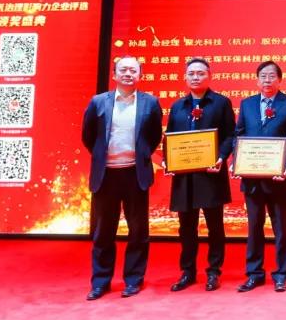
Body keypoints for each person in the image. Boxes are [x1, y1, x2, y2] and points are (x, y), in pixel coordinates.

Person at [82, 55, 163, 300]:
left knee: (138, 230)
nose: (128, 74)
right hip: (106, 175)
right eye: (123, 70)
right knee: (103, 231)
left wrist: (141, 155)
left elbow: (154, 136)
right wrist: (102, 157)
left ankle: (133, 280)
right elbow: (88, 136)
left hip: (135, 174)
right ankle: (100, 282)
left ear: (140, 75)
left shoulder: (150, 103)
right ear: (115, 75)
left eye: (133, 71)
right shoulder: (98, 102)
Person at [165, 58, 236, 292]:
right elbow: (170, 137)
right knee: (186, 227)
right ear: (185, 77)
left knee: (215, 226)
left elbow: (230, 135)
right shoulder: (178, 106)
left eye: (201, 73)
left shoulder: (221, 103)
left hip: (211, 173)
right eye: (191, 73)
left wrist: (221, 157)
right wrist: (168, 160)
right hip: (184, 176)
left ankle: (214, 271)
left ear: (209, 76)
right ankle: (187, 271)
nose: (196, 77)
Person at [233, 60, 286, 293]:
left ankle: (281, 274)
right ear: (257, 80)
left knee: (281, 228)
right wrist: (237, 162)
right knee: (254, 227)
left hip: (278, 178)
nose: (267, 80)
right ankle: (254, 273)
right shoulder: (247, 104)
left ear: (280, 80)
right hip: (252, 178)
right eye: (263, 76)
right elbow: (239, 135)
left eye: (272, 76)